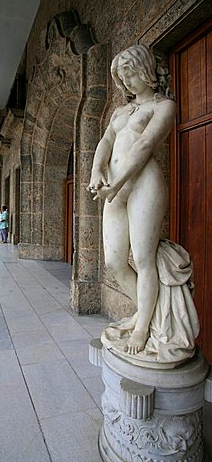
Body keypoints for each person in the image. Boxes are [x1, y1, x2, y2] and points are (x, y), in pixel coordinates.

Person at [88, 45, 176, 356]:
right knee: (114, 261)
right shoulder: (119, 112)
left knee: (142, 258)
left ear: (145, 70)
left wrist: (115, 185)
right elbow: (105, 142)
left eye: (129, 75)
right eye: (121, 78)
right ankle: (148, 313)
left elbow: (145, 145)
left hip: (143, 185)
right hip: (115, 187)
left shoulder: (163, 106)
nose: (125, 83)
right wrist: (97, 169)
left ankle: (142, 328)